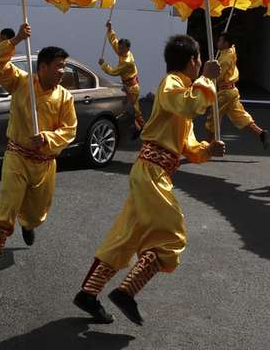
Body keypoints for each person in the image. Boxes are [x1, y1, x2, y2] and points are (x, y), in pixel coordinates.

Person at [74, 35, 224, 326]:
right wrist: (207, 81)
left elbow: (189, 146)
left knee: (125, 238)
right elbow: (189, 107)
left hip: (153, 172)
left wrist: (209, 150)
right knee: (172, 235)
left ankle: (88, 294)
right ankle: (127, 291)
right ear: (193, 61)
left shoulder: (184, 90)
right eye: (198, 61)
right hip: (151, 173)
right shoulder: (172, 84)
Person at [0, 23, 77, 273]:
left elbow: (70, 130)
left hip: (44, 163)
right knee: (7, 202)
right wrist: (16, 41)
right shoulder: (21, 83)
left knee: (36, 213)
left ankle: (28, 223)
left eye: (64, 66)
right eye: (58, 66)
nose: (62, 71)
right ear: (43, 66)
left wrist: (47, 138)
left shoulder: (65, 97)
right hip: (17, 156)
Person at [206, 32, 269, 148]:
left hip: (225, 92)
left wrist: (208, 76)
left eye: (220, 41)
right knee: (239, 115)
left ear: (226, 43)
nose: (217, 42)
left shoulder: (224, 59)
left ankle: (208, 146)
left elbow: (218, 76)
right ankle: (260, 133)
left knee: (213, 116)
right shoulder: (230, 51)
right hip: (232, 91)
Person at [99, 21, 145, 133]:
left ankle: (141, 128)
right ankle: (139, 127)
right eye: (119, 48)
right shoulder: (123, 52)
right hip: (129, 85)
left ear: (127, 49)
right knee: (133, 108)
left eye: (121, 49)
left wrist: (103, 64)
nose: (118, 50)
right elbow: (114, 42)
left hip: (132, 88)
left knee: (133, 109)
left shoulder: (127, 61)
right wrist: (110, 30)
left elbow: (113, 72)